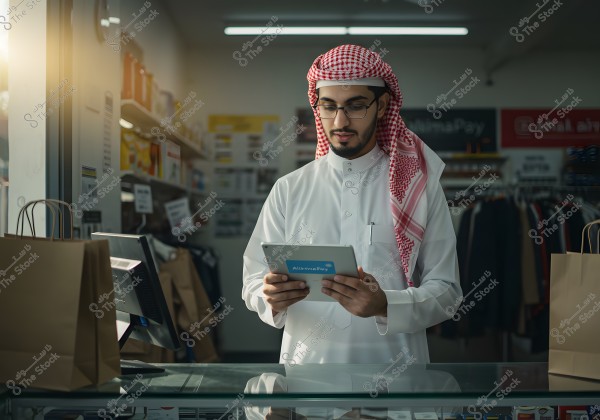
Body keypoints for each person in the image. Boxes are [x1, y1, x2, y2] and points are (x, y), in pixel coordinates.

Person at [242, 44, 462, 364]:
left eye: (356, 106)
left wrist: (386, 305)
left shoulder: (418, 189)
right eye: (328, 106)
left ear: (383, 105)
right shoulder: (288, 190)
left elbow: (447, 293)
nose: (340, 121)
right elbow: (252, 281)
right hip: (307, 388)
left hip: (395, 385)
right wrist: (270, 297)